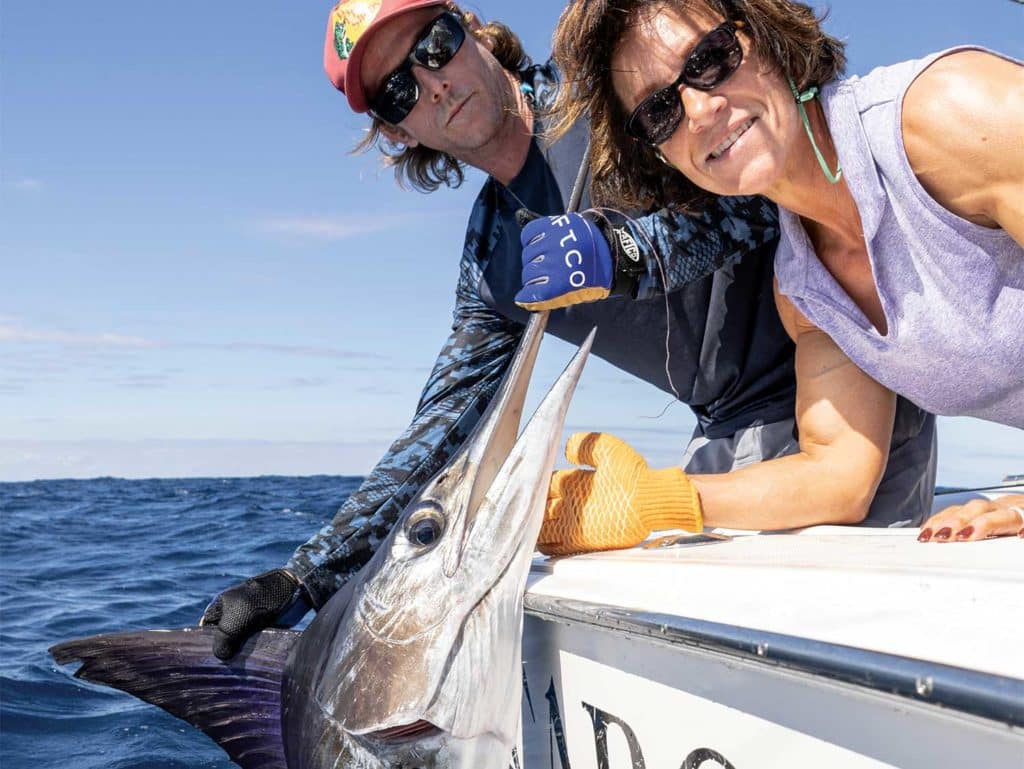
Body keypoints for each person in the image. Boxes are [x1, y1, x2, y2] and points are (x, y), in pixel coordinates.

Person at [198, 0, 936, 660]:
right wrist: (305, 574)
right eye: (400, 91)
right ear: (398, 129)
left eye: (434, 45)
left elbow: (777, 183)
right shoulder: (494, 261)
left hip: (843, 380)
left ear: (474, 33)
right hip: (729, 436)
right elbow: (440, 433)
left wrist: (628, 254)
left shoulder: (608, 95)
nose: (434, 84)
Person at [548, 0, 1024, 544]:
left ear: (770, 37)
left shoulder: (948, 114)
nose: (700, 111)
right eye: (660, 111)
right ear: (659, 155)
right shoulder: (804, 286)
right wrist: (657, 499)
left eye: (710, 59)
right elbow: (837, 476)